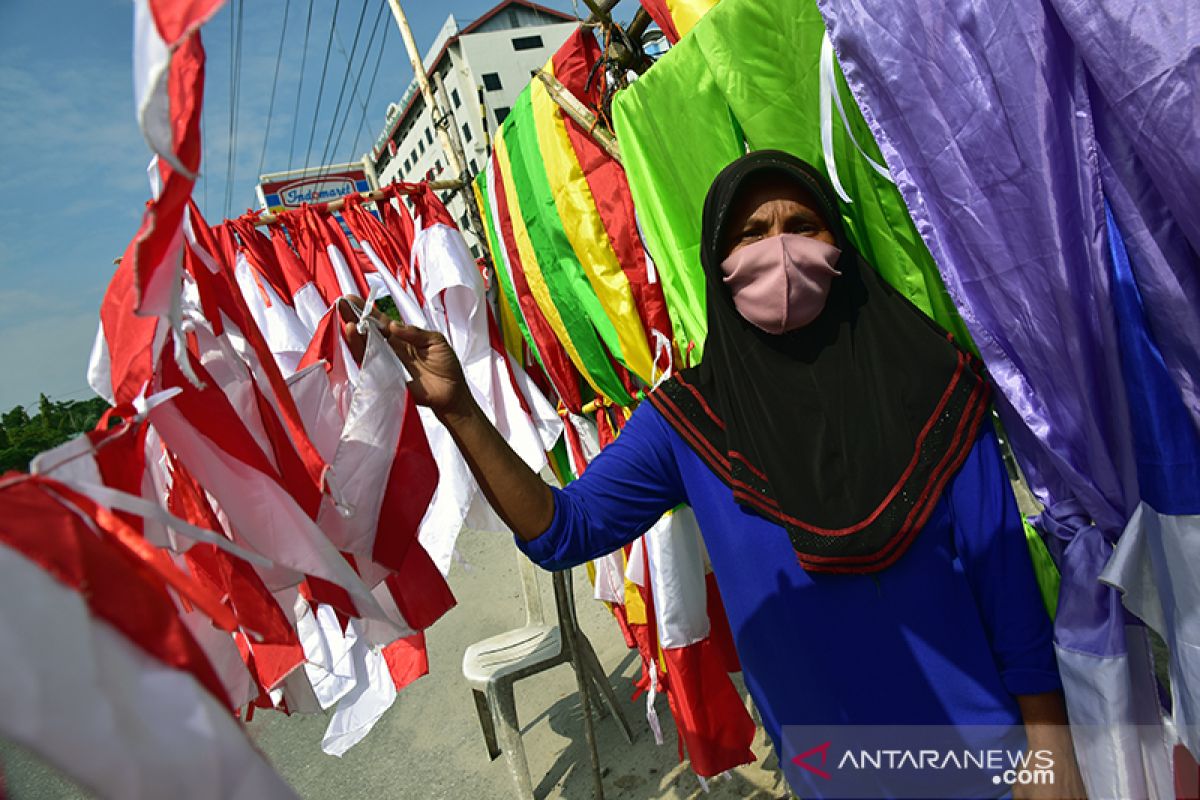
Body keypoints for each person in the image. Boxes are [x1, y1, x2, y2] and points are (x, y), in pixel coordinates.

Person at [345, 151, 1084, 798]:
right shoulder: (690, 422)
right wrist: (460, 410)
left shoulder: (931, 386)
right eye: (751, 235)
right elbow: (561, 529)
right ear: (718, 264)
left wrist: (1048, 753)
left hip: (984, 765)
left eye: (802, 224)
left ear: (839, 240)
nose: (781, 252)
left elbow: (1005, 580)